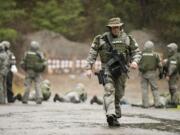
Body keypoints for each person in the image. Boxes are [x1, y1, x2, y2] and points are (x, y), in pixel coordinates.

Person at [85, 17, 141, 127]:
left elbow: (136, 52)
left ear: (120, 27)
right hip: (107, 69)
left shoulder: (128, 38)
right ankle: (110, 114)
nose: (115, 29)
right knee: (109, 90)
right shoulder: (101, 39)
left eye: (117, 27)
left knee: (119, 94)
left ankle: (115, 115)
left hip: (122, 70)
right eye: (112, 27)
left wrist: (135, 62)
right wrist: (88, 68)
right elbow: (92, 53)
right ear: (109, 28)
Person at [138, 41, 163, 108]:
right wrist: (161, 73)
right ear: (152, 46)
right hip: (152, 73)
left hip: (143, 73)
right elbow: (160, 65)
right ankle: (157, 104)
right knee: (155, 88)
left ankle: (145, 104)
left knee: (144, 89)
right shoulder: (156, 54)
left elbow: (137, 62)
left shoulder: (141, 54)